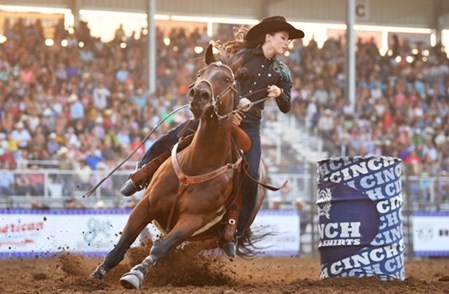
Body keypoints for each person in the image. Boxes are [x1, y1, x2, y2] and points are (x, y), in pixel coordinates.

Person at [120, 16, 304, 255]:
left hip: (249, 126)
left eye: (287, 39)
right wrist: (231, 110)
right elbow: (218, 82)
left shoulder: (282, 71)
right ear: (268, 36)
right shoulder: (242, 58)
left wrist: (280, 94)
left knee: (252, 174)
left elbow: (286, 106)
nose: (286, 43)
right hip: (220, 117)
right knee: (174, 137)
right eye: (283, 37)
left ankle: (233, 229)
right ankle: (143, 173)